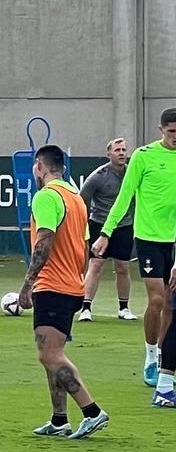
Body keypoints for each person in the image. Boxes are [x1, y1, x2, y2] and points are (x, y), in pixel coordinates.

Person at [20, 145, 109, 438]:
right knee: (51, 353)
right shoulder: (75, 198)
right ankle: (59, 420)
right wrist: (76, 277)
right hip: (72, 284)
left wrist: (28, 283)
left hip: (53, 286)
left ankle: (92, 411)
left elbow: (43, 241)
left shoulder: (46, 197)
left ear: (39, 166)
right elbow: (83, 249)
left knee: (50, 355)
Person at [93, 108, 176, 389]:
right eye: (172, 131)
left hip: (175, 242)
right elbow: (125, 197)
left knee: (172, 304)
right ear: (161, 129)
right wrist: (106, 232)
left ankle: (166, 356)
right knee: (157, 301)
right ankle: (151, 355)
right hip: (150, 239)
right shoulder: (144, 157)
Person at [78, 138, 135, 323]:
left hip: (124, 226)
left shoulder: (132, 173)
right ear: (108, 154)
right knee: (96, 265)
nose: (121, 153)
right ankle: (85, 308)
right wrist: (84, 224)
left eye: (124, 150)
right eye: (117, 150)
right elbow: (81, 200)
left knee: (123, 267)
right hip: (100, 225)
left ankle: (123, 308)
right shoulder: (98, 176)